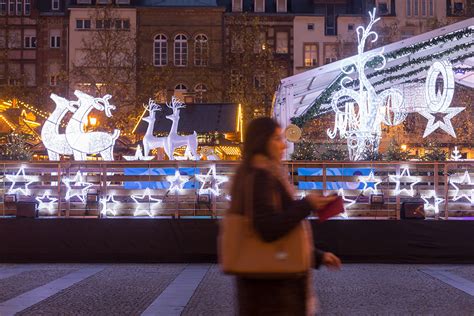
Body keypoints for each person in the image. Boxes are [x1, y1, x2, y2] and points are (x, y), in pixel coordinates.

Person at [228, 117, 341, 315]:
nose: (284, 144)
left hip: (268, 283)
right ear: (262, 142)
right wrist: (307, 204)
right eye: (277, 138)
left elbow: (282, 225)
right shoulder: (261, 177)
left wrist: (318, 256)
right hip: (272, 289)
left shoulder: (259, 174)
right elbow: (267, 228)